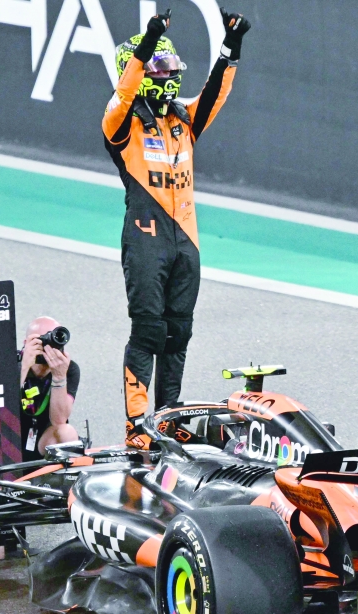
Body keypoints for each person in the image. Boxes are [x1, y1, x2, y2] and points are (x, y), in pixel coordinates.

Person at [103, 9, 250, 449]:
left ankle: (168, 419)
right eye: (160, 70)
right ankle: (136, 427)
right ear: (144, 73)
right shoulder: (121, 122)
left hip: (186, 242)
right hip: (145, 239)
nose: (170, 78)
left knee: (177, 334)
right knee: (148, 333)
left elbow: (215, 94)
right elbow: (127, 88)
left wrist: (232, 45)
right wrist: (148, 40)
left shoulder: (184, 117)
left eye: (172, 69)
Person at [19, 316, 80, 456]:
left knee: (67, 432)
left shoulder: (68, 369)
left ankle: (59, 476)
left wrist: (59, 376)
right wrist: (23, 367)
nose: (47, 347)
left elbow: (59, 420)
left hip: (45, 440)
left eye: (52, 341)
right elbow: (0, 410)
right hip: (10, 435)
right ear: (26, 343)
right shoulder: (10, 362)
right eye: (41, 341)